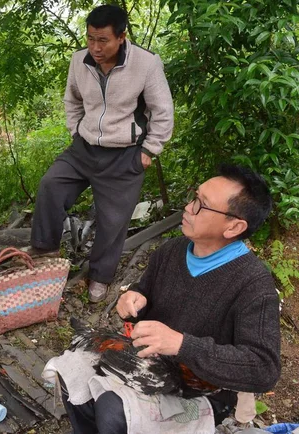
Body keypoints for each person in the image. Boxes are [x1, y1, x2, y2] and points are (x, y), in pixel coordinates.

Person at [47, 165, 281, 433]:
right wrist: (136, 297)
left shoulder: (253, 283)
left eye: (201, 206)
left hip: (204, 389)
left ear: (234, 226)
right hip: (152, 362)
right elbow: (144, 288)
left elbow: (264, 369)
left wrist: (182, 345)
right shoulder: (172, 250)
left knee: (113, 409)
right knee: (70, 369)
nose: (188, 208)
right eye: (194, 197)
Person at [30, 4, 174, 302]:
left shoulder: (146, 64)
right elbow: (72, 100)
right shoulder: (79, 61)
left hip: (125, 154)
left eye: (103, 40)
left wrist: (149, 150)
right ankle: (45, 251)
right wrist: (75, 130)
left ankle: (99, 277)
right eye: (90, 39)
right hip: (83, 148)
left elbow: (163, 111)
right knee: (51, 185)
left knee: (113, 220)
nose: (95, 47)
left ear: (121, 37)